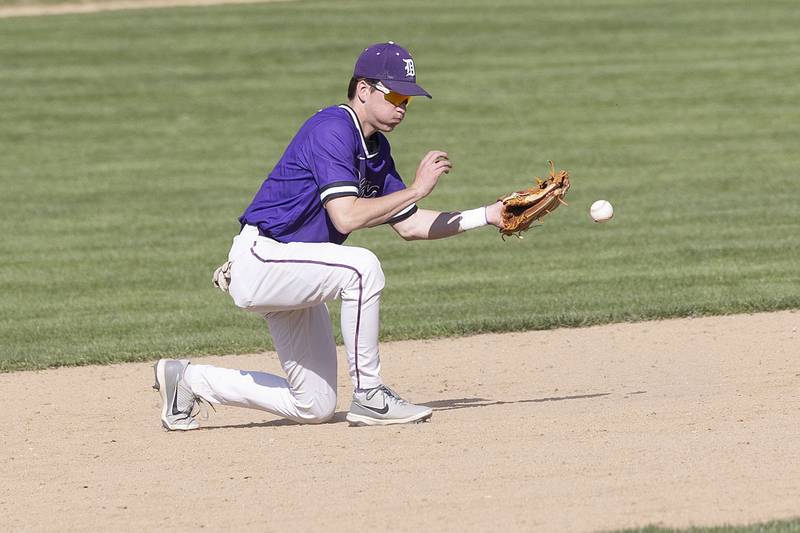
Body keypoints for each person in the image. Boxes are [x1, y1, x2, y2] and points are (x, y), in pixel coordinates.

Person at [153, 42, 504, 430]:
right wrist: (418, 188)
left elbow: (410, 224)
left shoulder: (376, 149)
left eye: (409, 97)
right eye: (396, 94)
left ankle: (186, 380)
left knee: (314, 405)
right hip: (263, 259)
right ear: (364, 90)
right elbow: (346, 217)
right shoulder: (332, 129)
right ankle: (370, 394)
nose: (403, 105)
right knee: (361, 267)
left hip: (296, 268)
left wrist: (488, 215)